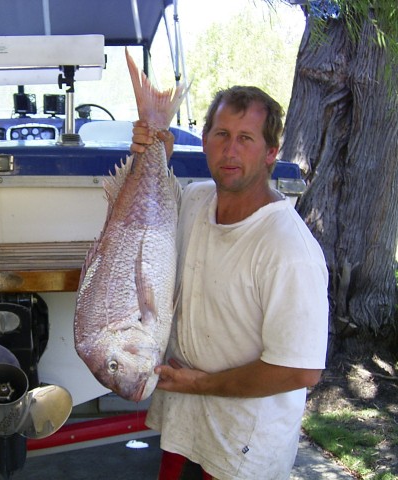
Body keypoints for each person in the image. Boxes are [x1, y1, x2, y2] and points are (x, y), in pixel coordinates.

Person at [130, 85, 329, 480]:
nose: (230, 150)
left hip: (243, 444)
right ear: (204, 142)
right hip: (184, 420)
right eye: (221, 135)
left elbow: (301, 372)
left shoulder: (289, 250)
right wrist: (152, 154)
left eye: (246, 138)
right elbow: (141, 228)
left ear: (272, 152)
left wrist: (200, 384)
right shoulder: (194, 201)